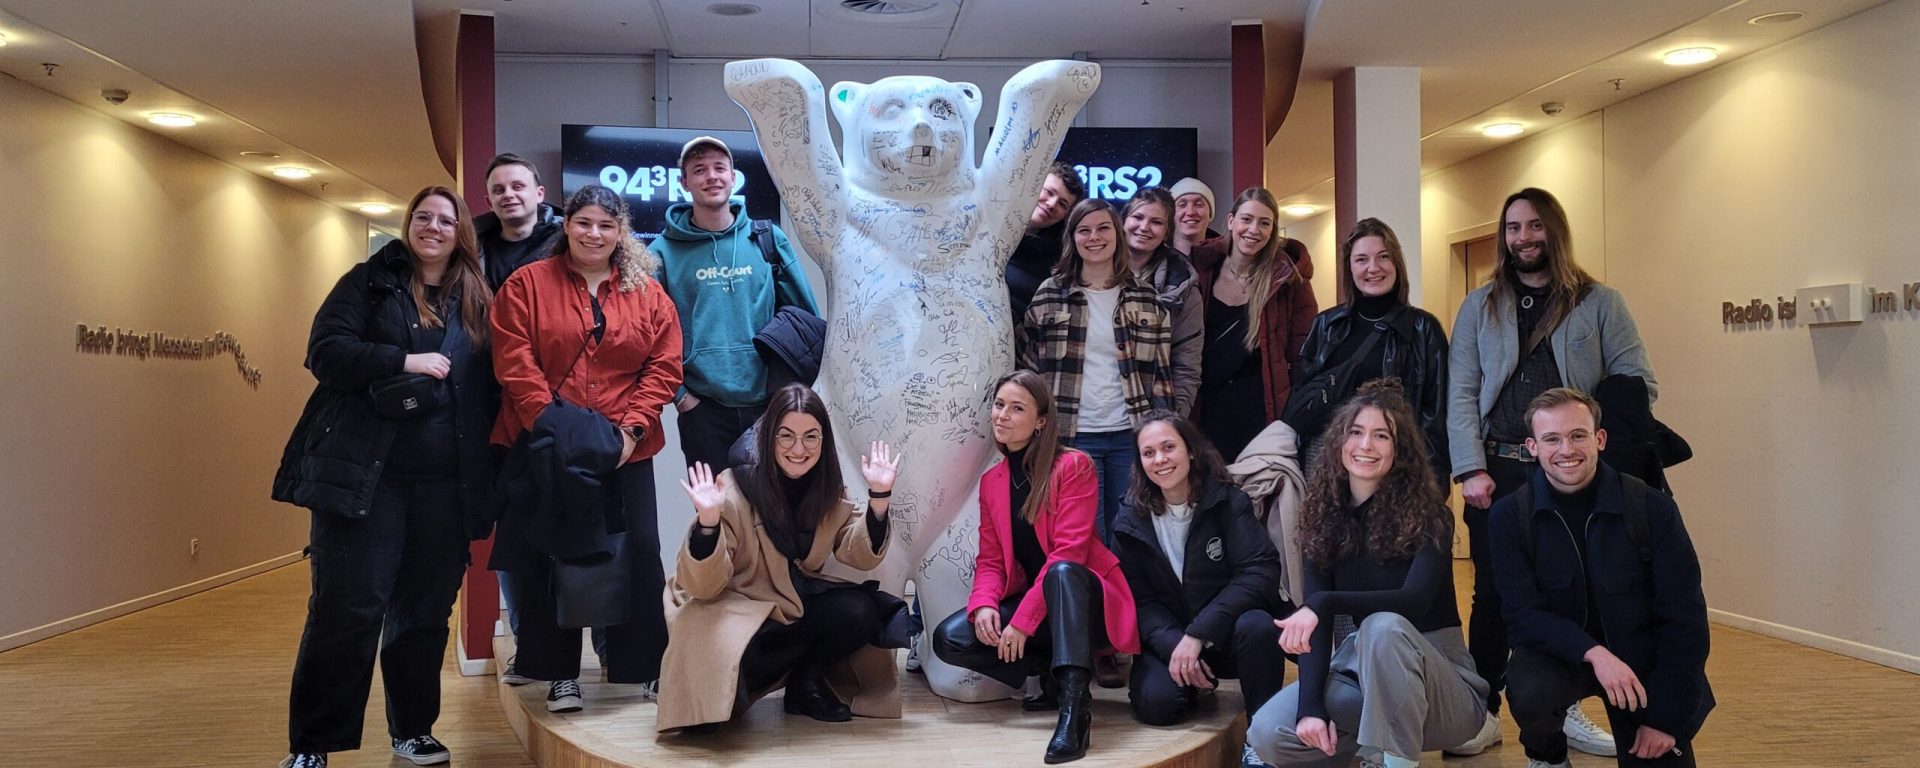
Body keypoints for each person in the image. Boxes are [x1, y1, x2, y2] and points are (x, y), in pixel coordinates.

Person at [270, 186, 498, 768]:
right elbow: (325, 352)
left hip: (447, 485)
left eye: (446, 220)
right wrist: (402, 360)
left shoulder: (478, 297)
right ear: (408, 224)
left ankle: (413, 730)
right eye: (422, 216)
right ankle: (313, 744)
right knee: (347, 609)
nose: (433, 227)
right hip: (366, 480)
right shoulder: (367, 282)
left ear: (460, 232)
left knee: (422, 613)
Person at [1446, 187, 1654, 757]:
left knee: (1573, 594)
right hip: (1499, 473)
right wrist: (1469, 470)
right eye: (1513, 229)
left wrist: (1582, 452)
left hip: (1570, 474)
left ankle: (1564, 712)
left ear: (1554, 231)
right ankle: (1483, 712)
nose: (1523, 238)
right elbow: (1460, 393)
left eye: (1534, 226)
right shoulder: (1478, 306)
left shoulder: (1601, 303)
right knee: (1491, 597)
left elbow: (1638, 382)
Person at [488, 184, 683, 714]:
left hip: (627, 447)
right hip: (550, 445)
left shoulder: (647, 290)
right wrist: (551, 426)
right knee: (551, 555)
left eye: (605, 225)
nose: (593, 234)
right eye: (583, 223)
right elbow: (514, 359)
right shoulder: (527, 283)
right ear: (566, 226)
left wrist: (633, 431)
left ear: (620, 233)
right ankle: (559, 675)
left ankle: (642, 667)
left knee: (641, 550)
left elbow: (664, 365)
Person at [1248, 380, 1489, 768]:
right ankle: (1371, 753)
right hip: (1358, 677)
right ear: (1339, 442)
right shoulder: (1321, 519)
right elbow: (1317, 631)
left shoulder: (1431, 514)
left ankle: (1392, 760)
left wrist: (1322, 604)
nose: (1365, 445)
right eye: (1356, 433)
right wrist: (1310, 708)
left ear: (1400, 450)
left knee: (1382, 628)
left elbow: (1413, 603)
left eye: (1381, 436)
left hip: (1447, 693)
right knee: (1268, 733)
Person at [656, 384, 903, 731]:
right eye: (786, 436)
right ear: (769, 437)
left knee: (861, 611)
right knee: (709, 720)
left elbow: (859, 553)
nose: (798, 449)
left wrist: (880, 498)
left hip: (787, 607)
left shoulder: (829, 488)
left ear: (823, 441)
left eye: (810, 437)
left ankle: (806, 684)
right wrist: (708, 524)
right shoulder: (732, 487)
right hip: (732, 611)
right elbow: (704, 586)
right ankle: (725, 690)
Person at [1490, 388, 1712, 768]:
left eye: (1578, 435)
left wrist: (1666, 721)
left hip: (1641, 664)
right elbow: (1523, 616)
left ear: (1600, 439)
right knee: (1529, 686)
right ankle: (1548, 757)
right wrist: (1595, 654)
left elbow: (1685, 620)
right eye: (1552, 439)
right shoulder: (1509, 517)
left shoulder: (1653, 510)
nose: (1566, 450)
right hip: (1560, 656)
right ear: (1532, 447)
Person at [931, 371, 1141, 765]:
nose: (1002, 415)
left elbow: (1069, 554)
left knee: (1061, 574)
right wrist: (986, 605)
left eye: (1017, 408)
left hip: (1087, 603)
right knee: (950, 639)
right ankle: (1049, 673)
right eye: (998, 405)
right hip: (1042, 607)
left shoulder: (1073, 466)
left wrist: (1023, 620)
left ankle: (1075, 707)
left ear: (1041, 421)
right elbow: (991, 559)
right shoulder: (993, 480)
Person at [1111, 411, 1286, 768]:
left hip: (1225, 635)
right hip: (1171, 639)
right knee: (1157, 706)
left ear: (1190, 450)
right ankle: (1191, 681)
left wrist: (1199, 634)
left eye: (1168, 447)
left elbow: (1260, 570)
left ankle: (1260, 741)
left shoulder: (1227, 501)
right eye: (1148, 453)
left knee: (1258, 626)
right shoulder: (1129, 519)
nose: (1160, 460)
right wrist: (1176, 644)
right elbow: (1137, 600)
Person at [652, 135, 820, 470]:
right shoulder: (660, 253)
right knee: (717, 512)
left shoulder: (767, 238)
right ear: (685, 183)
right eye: (699, 170)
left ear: (733, 176)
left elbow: (807, 320)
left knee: (778, 512)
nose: (711, 176)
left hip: (771, 405)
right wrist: (682, 398)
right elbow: (651, 337)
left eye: (719, 168)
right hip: (704, 410)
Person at [1021, 197, 1175, 555]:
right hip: (1072, 436)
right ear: (1072, 237)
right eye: (1084, 230)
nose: (1094, 237)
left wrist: (1167, 434)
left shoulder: (1145, 298)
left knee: (1129, 537)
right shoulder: (1050, 294)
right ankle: (1089, 611)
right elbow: (1028, 367)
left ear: (1118, 234)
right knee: (1084, 540)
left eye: (1103, 228)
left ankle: (1126, 611)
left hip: (1130, 434)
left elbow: (1161, 376)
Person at [1291, 218, 1449, 481]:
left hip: (1397, 469)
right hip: (1328, 467)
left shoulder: (1424, 328)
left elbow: (1436, 417)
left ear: (1396, 263)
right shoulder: (1326, 325)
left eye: (1383, 257)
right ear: (1349, 268)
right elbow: (1304, 400)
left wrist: (1431, 484)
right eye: (1361, 259)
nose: (1373, 268)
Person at [1193, 187, 1319, 461]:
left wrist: (1295, 419)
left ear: (1273, 230)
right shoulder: (1200, 271)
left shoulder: (1288, 280)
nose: (1253, 230)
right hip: (1207, 409)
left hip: (1261, 410)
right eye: (1246, 219)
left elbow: (1304, 356)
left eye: (1264, 223)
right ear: (1230, 221)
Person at [1123, 187, 1204, 416]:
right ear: (1123, 220)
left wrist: (1174, 418)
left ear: (1167, 230)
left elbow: (1186, 363)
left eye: (1156, 222)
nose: (1144, 227)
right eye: (1138, 217)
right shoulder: (1093, 271)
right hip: (1093, 412)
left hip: (1152, 412)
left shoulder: (1183, 285)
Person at [1170, 177, 1310, 281]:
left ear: (1210, 213)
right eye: (1181, 204)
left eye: (1199, 204)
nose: (1190, 212)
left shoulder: (1224, 259)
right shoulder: (1154, 258)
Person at [1007, 161, 1087, 326]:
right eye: (1049, 192)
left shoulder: (1057, 263)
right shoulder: (983, 227)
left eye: (1062, 204)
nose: (1052, 204)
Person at [475, 152, 564, 290]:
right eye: (499, 190)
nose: (508, 195)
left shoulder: (567, 242)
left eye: (517, 187)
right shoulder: (472, 247)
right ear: (489, 202)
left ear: (539, 194)